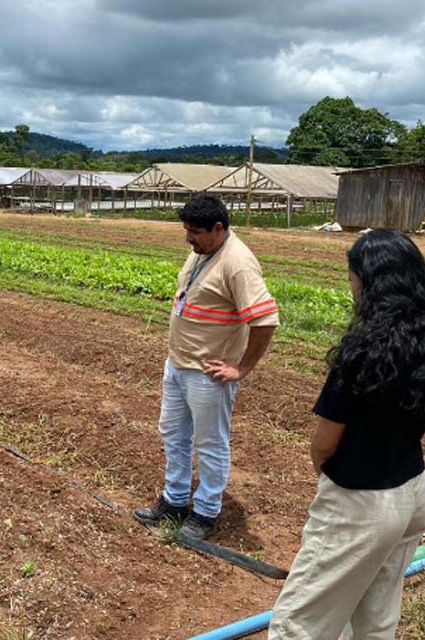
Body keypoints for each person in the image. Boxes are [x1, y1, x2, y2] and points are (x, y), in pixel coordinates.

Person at [268, 230, 425, 639]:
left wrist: (332, 478)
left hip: (360, 502)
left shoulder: (363, 352)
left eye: (352, 276)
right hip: (411, 493)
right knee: (376, 619)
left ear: (368, 281)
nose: (351, 286)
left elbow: (324, 444)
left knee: (298, 624)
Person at [133, 195, 279, 540]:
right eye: (186, 230)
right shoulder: (203, 251)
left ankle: (206, 512)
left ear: (218, 228)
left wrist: (241, 368)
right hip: (179, 365)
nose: (188, 238)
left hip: (208, 374)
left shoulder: (238, 263)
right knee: (173, 434)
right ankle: (175, 500)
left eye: (195, 232)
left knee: (210, 443)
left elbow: (266, 320)